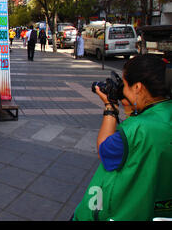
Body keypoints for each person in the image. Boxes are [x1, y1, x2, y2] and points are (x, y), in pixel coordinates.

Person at [73, 54, 172, 221]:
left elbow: (105, 151)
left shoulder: (136, 128)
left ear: (138, 87)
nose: (123, 91)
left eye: (125, 85)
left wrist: (110, 108)